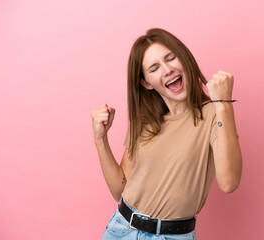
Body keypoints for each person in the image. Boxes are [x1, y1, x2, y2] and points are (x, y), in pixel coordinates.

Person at [90, 28, 242, 240]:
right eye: (154, 68)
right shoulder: (145, 120)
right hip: (121, 230)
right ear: (146, 83)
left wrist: (224, 103)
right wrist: (100, 139)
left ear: (185, 58)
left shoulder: (213, 113)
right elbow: (120, 189)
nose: (167, 70)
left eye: (171, 58)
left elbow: (229, 183)